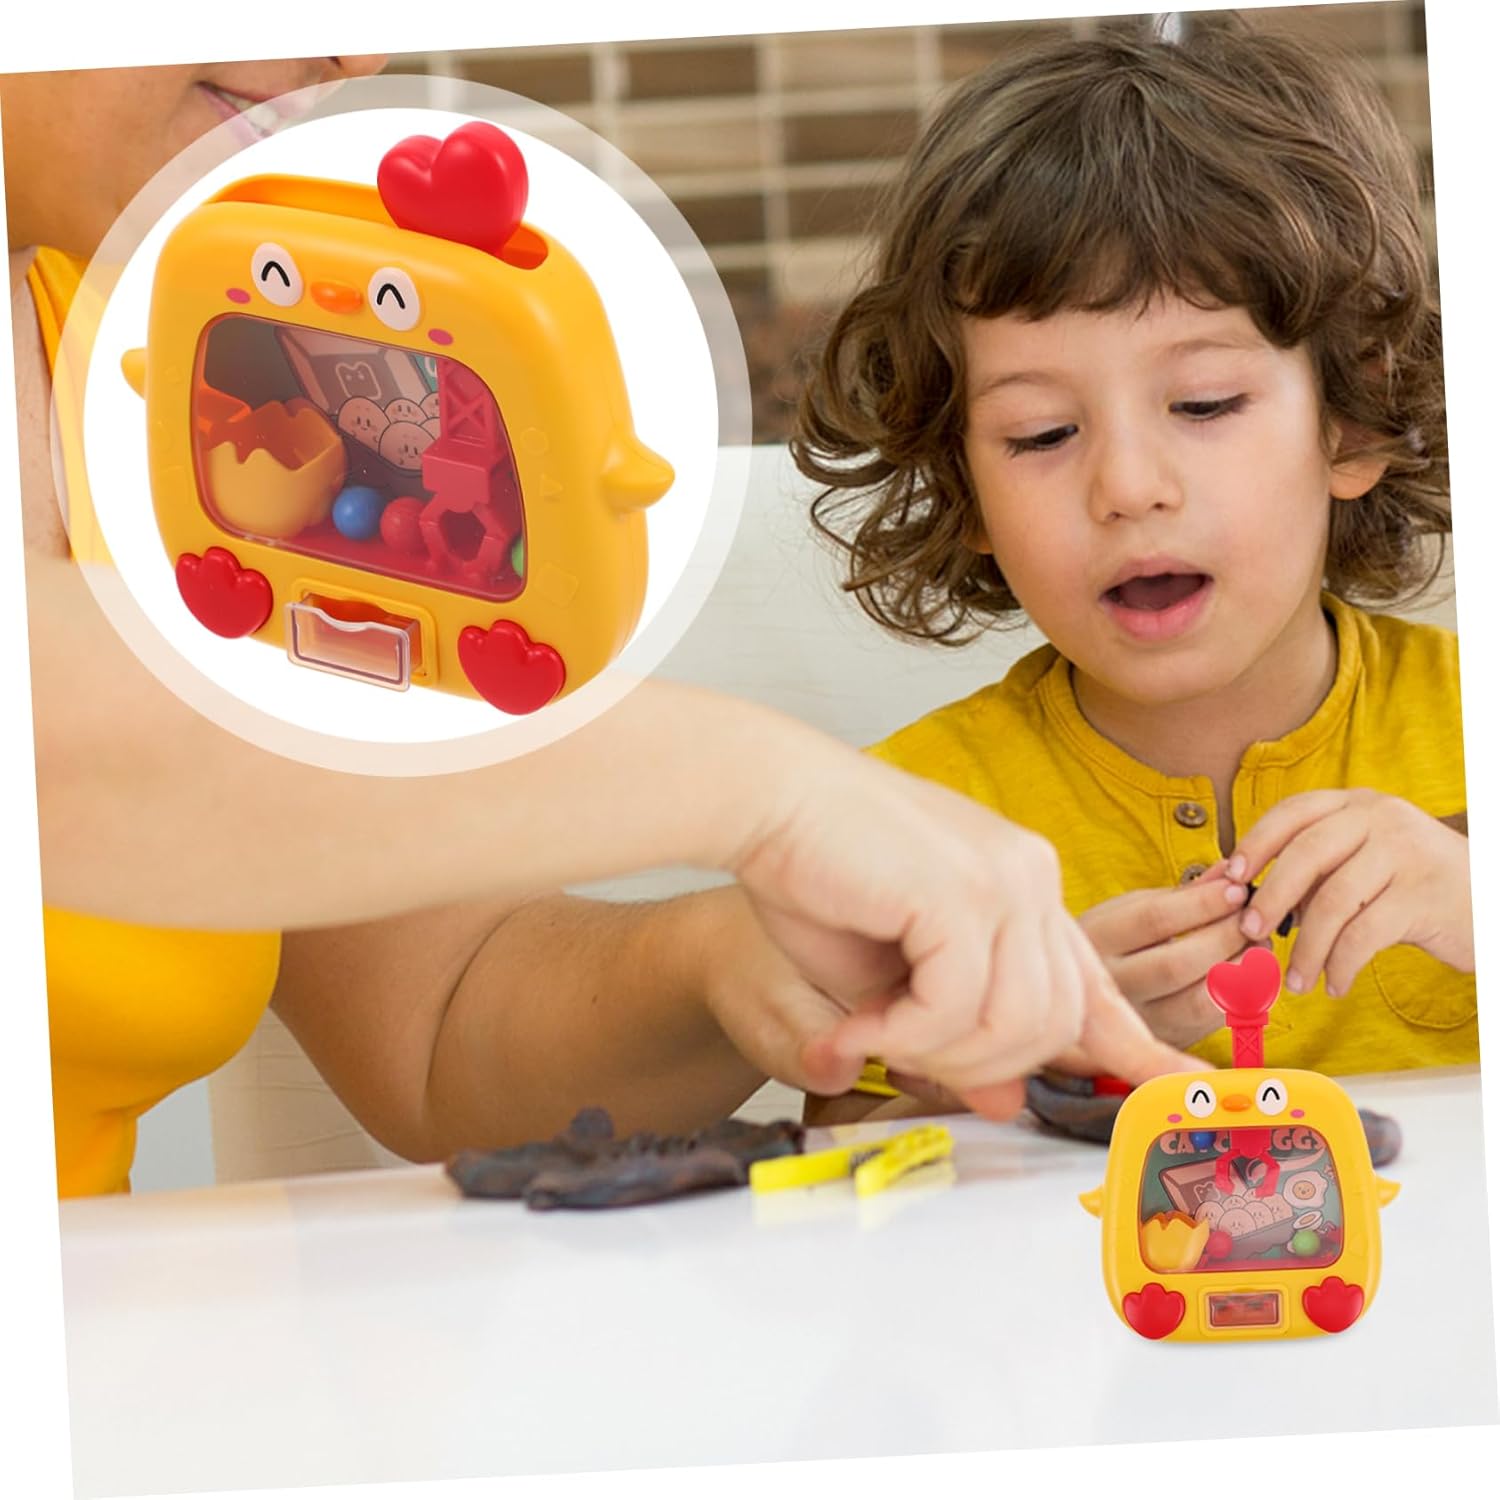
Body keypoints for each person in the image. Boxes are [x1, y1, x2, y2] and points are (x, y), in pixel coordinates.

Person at [4, 59, 1188, 1194]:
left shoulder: (188, 351)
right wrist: (764, 793)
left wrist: (726, 958)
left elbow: (433, 1026)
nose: (353, 51)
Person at [533, 19, 1475, 1127]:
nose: (1127, 486)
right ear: (965, 486)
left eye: (1205, 404)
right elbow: (854, 1171)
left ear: (1353, 422)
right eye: (1041, 434)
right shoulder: (901, 824)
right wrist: (1012, 1073)